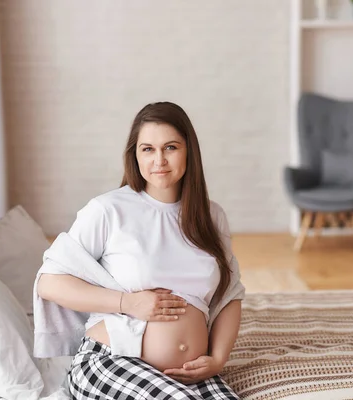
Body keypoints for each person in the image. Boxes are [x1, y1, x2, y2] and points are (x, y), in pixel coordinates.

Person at [37, 102, 244, 399]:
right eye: (147, 149)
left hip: (188, 375)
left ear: (189, 151)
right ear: (134, 155)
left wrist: (218, 359)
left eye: (170, 147)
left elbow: (229, 296)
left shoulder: (212, 217)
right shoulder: (108, 210)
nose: (159, 159)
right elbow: (50, 282)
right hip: (111, 361)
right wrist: (127, 303)